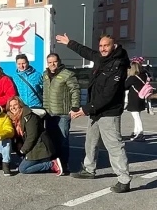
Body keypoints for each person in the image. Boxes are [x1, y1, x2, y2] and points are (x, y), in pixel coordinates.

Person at [56, 33, 131, 193]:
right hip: (95, 110)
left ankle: (124, 179)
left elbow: (108, 95)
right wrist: (69, 42)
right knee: (90, 141)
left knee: (114, 145)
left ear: (114, 46)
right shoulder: (100, 58)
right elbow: (85, 52)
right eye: (101, 46)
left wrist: (85, 109)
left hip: (109, 112)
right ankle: (89, 169)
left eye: (106, 46)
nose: (103, 49)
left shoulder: (119, 65)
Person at [43, 53, 80, 172]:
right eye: (49, 62)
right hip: (49, 113)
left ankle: (64, 163)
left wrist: (75, 107)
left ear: (59, 61)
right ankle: (55, 162)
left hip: (63, 113)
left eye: (54, 62)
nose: (52, 64)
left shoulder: (67, 74)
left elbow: (75, 90)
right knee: (51, 139)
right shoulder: (45, 75)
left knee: (63, 139)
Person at [6, 96, 63, 176]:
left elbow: (32, 136)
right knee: (22, 165)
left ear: (20, 105)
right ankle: (39, 162)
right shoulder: (15, 119)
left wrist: (23, 150)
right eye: (10, 106)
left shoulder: (29, 116)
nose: (13, 108)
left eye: (15, 105)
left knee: (23, 169)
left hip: (40, 147)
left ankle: (51, 164)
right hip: (32, 147)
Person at [126, 59, 150, 141]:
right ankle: (135, 132)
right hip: (141, 97)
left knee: (136, 116)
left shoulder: (132, 78)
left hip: (134, 99)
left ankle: (140, 133)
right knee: (137, 115)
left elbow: (125, 86)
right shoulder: (144, 75)